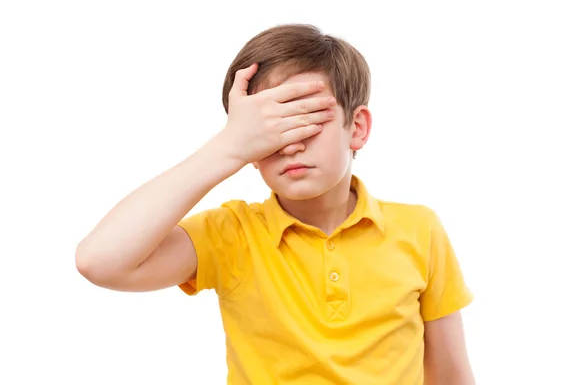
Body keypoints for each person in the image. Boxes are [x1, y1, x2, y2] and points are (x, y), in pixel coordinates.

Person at [76, 23, 475, 384]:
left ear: (356, 127)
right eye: (271, 127)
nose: (292, 143)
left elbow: (450, 375)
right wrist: (228, 147)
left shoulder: (419, 230)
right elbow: (100, 261)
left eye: (308, 119)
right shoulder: (232, 234)